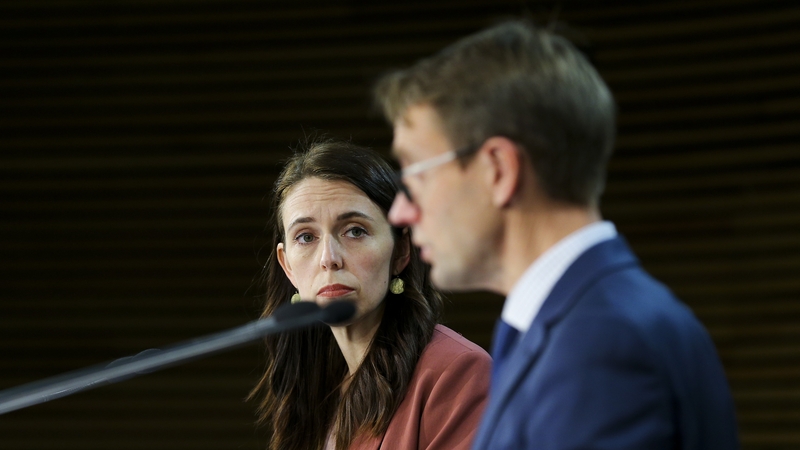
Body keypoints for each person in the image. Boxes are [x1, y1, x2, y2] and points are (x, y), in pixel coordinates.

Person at [374, 20, 739, 450]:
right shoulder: (584, 323)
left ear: (499, 170)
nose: (401, 210)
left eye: (415, 174)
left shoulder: (601, 346)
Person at [248, 138, 491, 450]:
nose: (329, 258)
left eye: (355, 231)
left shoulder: (456, 373)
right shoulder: (314, 393)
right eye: (306, 237)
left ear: (401, 250)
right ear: (288, 267)